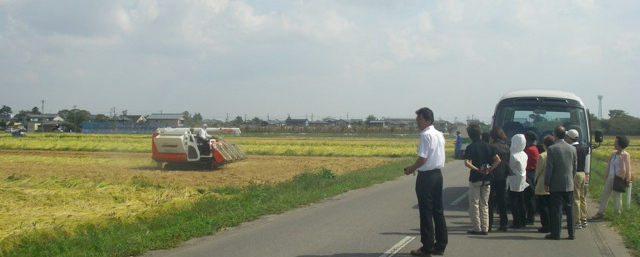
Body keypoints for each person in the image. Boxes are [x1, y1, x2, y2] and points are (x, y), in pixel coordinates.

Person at [404, 107, 448, 256]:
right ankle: (440, 245)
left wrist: (411, 168)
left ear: (428, 120)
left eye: (420, 119)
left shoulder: (425, 135)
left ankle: (427, 247)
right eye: (417, 119)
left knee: (426, 211)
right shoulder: (439, 134)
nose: (418, 122)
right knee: (438, 210)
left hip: (426, 176)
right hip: (437, 175)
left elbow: (422, 158)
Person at [463, 124, 501, 235]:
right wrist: (489, 170)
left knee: (474, 203)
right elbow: (497, 160)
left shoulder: (471, 147)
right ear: (480, 133)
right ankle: (485, 228)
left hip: (475, 178)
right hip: (487, 178)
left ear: (470, 135)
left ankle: (477, 228)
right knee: (484, 204)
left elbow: (466, 163)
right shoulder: (489, 146)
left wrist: (477, 170)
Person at [544, 126, 577, 240]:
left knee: (556, 209)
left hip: (556, 184)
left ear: (555, 135)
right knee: (570, 209)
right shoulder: (572, 149)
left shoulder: (552, 149)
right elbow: (574, 167)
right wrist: (571, 180)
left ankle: (556, 233)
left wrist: (546, 182)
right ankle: (571, 233)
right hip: (569, 183)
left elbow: (549, 168)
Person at [592, 136, 632, 219]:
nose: (614, 144)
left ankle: (617, 214)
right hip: (610, 177)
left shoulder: (625, 155)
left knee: (617, 197)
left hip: (618, 178)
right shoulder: (614, 153)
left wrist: (627, 179)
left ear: (620, 144)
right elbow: (609, 164)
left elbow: (628, 167)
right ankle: (601, 212)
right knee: (605, 195)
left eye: (616, 142)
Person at [488, 127, 510, 232]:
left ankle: (489, 223)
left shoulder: (491, 147)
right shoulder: (506, 147)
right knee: (502, 200)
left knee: (490, 200)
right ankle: (504, 223)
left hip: (492, 175)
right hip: (502, 176)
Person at [566, 129, 588, 229]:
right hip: (583, 173)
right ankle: (584, 219)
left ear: (569, 138)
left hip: (575, 174)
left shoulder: (571, 148)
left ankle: (576, 221)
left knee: (575, 198)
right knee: (582, 197)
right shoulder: (582, 148)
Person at [535, 135, 555, 233]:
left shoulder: (542, 155)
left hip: (542, 184)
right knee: (552, 206)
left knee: (543, 207)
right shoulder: (556, 153)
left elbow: (538, 170)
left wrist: (535, 180)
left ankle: (545, 226)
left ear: (544, 145)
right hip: (554, 184)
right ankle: (552, 225)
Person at [508, 134, 529, 229]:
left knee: (514, 202)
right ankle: (523, 220)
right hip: (522, 179)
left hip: (514, 180)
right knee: (521, 201)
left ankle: (516, 222)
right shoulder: (524, 154)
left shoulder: (513, 156)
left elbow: (510, 169)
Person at [523, 131, 539, 225]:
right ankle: (530, 217)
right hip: (532, 173)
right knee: (530, 197)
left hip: (529, 173)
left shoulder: (529, 150)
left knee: (529, 197)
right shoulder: (534, 148)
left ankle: (530, 217)